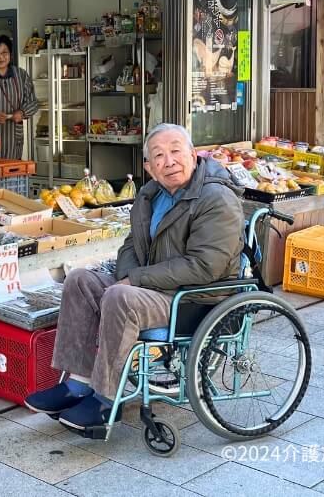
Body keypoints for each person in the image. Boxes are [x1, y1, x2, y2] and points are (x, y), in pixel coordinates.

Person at [24, 123, 244, 430]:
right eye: (159, 156)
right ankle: (77, 383)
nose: (169, 161)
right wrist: (127, 277)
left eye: (176, 151)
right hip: (155, 287)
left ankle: (104, 399)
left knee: (120, 295)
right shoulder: (150, 195)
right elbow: (131, 244)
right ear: (149, 167)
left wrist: (134, 281)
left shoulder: (216, 199)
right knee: (80, 280)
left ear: (193, 155)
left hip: (196, 297)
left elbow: (205, 266)